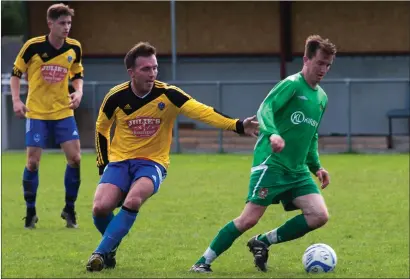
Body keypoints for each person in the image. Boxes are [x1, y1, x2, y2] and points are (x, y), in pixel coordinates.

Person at [86, 41, 259, 272]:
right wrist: (103, 164)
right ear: (132, 72)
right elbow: (101, 127)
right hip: (119, 161)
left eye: (155, 67)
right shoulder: (115, 97)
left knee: (134, 199)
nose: (152, 73)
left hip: (152, 163)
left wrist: (237, 125)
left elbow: (203, 111)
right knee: (100, 208)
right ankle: (110, 249)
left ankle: (99, 252)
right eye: (146, 69)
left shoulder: (169, 94)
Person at [190, 34, 337, 273]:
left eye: (328, 65)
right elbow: (265, 108)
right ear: (306, 59)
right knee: (248, 219)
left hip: (297, 169)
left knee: (319, 215)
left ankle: (263, 241)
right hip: (272, 163)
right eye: (320, 62)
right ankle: (202, 262)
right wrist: (272, 134)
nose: (324, 69)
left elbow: (312, 135)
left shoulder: (322, 97)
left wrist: (316, 166)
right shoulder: (291, 84)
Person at [10, 3, 84, 229]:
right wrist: (16, 99)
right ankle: (31, 211)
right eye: (62, 23)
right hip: (37, 112)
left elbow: (77, 73)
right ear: (50, 24)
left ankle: (69, 209)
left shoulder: (74, 47)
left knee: (76, 159)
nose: (67, 27)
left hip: (63, 111)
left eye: (69, 23)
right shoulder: (33, 46)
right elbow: (15, 74)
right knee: (32, 162)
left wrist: (78, 91)